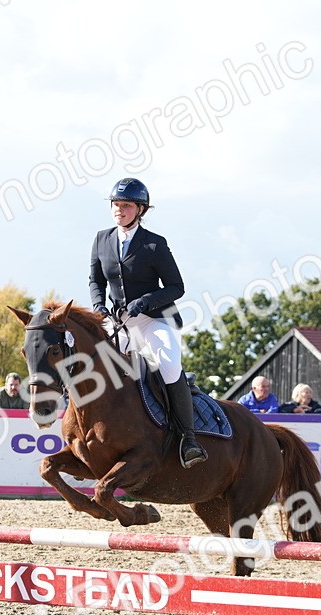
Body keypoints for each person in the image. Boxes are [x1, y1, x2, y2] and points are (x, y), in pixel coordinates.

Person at [88, 177, 206, 468]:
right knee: (89, 362)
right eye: (116, 204)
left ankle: (188, 439)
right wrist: (98, 305)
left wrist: (145, 301)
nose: (119, 210)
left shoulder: (154, 244)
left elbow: (176, 287)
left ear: (140, 209)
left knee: (168, 365)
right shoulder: (102, 239)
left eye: (126, 205)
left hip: (154, 320)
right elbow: (95, 280)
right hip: (119, 322)